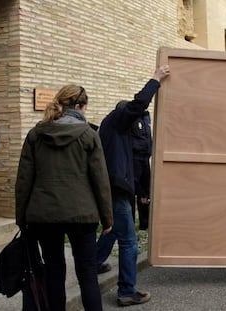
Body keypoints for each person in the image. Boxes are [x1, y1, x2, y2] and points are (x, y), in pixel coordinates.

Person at [15, 85, 113, 311]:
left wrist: (21, 218)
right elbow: (100, 180)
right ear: (79, 106)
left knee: (53, 271)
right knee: (87, 273)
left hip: (44, 215)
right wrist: (107, 218)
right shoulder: (88, 134)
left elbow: (24, 181)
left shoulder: (35, 134)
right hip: (82, 214)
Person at [96, 64, 170, 307]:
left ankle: (94, 262)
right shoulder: (117, 120)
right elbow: (138, 104)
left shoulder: (128, 135)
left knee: (116, 229)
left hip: (124, 189)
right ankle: (126, 291)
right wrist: (155, 80)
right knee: (129, 240)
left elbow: (140, 160)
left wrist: (144, 193)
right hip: (116, 189)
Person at [131, 110, 152, 238]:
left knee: (145, 191)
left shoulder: (146, 117)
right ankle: (130, 223)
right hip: (135, 159)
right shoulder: (133, 116)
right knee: (133, 189)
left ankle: (144, 223)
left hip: (145, 158)